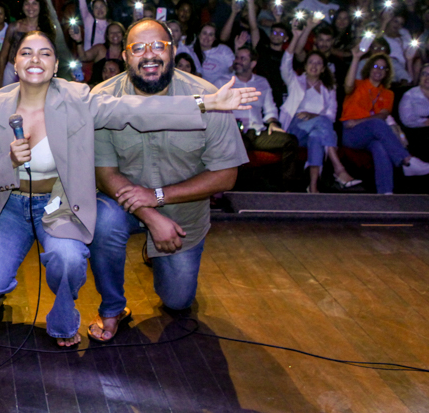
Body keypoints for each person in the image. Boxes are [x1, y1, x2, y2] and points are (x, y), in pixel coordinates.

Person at [0, 30, 256, 345]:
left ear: (56, 63)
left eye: (45, 53)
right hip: (9, 207)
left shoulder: (77, 100)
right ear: (14, 63)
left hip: (57, 203)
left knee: (75, 261)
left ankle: (63, 318)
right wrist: (7, 163)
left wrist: (208, 102)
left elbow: (138, 109)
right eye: (26, 53)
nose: (36, 60)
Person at [89, 19, 250, 340]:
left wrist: (159, 196)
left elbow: (226, 175)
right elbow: (103, 173)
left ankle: (157, 254)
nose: (148, 54)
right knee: (103, 221)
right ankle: (111, 308)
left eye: (158, 45)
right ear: (124, 55)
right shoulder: (103, 98)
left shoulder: (209, 97)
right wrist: (150, 212)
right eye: (138, 48)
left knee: (177, 302)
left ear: (173, 50)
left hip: (181, 214)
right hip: (124, 203)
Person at [280, 24, 358, 193]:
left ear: (323, 68)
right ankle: (339, 169)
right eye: (311, 62)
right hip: (295, 129)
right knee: (322, 124)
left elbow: (331, 115)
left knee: (317, 136)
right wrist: (295, 37)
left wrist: (312, 115)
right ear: (305, 65)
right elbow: (286, 63)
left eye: (318, 63)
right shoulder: (295, 82)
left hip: (317, 129)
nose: (314, 66)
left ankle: (313, 186)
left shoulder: (329, 88)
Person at [341, 50, 429, 193]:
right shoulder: (358, 85)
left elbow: (382, 116)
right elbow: (348, 85)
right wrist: (356, 58)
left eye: (383, 68)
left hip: (371, 131)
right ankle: (407, 160)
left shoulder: (388, 94)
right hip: (352, 132)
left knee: (379, 146)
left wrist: (359, 121)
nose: (378, 70)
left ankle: (386, 192)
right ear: (369, 68)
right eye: (375, 66)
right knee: (377, 124)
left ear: (387, 72)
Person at [231, 44, 299, 190]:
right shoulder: (223, 81)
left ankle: (288, 189)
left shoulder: (262, 82)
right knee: (240, 146)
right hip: (236, 131)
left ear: (253, 63)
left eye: (243, 58)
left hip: (258, 131)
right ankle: (236, 191)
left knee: (290, 141)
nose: (238, 61)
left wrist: (273, 122)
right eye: (237, 57)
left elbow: (270, 109)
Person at [0, 0, 56, 88]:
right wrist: (0, 82)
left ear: (40, 6)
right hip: (12, 70)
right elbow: (3, 56)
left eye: (34, 4)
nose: (30, 8)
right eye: (27, 4)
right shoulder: (14, 27)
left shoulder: (46, 29)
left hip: (35, 69)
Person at [399, 64, 429, 160]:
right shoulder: (410, 95)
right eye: (424, 74)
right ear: (420, 77)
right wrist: (424, 122)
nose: (427, 77)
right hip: (417, 132)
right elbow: (407, 120)